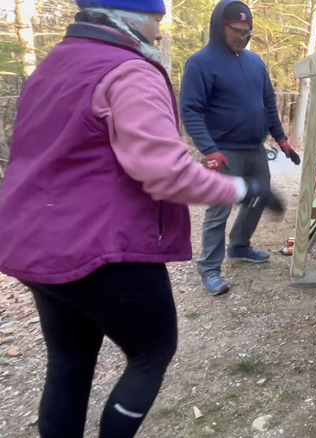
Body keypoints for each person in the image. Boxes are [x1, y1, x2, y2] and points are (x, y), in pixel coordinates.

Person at [0, 1, 280, 436]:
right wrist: (245, 189)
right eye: (155, 21)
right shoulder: (127, 71)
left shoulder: (53, 66)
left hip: (35, 243)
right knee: (151, 353)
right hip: (103, 246)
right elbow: (167, 174)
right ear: (124, 18)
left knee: (70, 362)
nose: (160, 33)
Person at [180, 0, 300, 296]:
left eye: (248, 32)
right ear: (220, 27)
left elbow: (268, 104)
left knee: (259, 197)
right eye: (237, 30)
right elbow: (191, 111)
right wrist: (209, 150)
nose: (243, 37)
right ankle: (210, 268)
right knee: (219, 209)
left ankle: (240, 246)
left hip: (254, 148)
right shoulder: (201, 63)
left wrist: (281, 138)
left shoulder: (255, 62)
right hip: (223, 151)